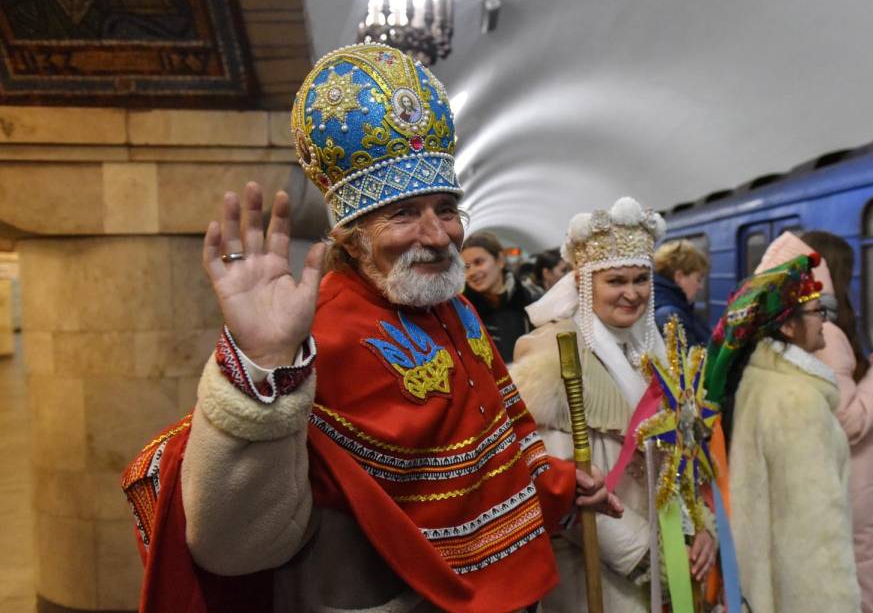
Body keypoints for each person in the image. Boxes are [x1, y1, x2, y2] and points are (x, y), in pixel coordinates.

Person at [121, 43, 620, 613]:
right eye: (404, 213)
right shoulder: (318, 330)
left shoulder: (451, 306)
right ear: (351, 236)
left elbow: (494, 429)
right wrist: (259, 365)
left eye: (446, 208)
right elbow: (230, 547)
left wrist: (552, 483)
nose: (437, 236)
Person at [510, 197, 716, 613]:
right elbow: (559, 481)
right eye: (616, 281)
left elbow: (684, 457)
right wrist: (646, 555)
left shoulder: (658, 352)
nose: (631, 293)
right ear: (587, 284)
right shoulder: (555, 358)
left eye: (641, 280)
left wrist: (701, 530)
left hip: (668, 553)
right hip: (596, 571)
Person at [706, 252, 860, 613]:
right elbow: (814, 538)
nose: (824, 322)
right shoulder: (798, 402)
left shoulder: (757, 382)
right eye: (816, 313)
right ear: (788, 327)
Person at [799, 231, 873, 613]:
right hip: (848, 486)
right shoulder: (827, 334)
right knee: (865, 586)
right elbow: (845, 422)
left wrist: (867, 375)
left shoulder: (804, 325)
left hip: (837, 486)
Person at [462, 231, 543, 361]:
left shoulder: (533, 299)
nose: (472, 272)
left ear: (500, 260)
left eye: (479, 262)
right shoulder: (462, 312)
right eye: (466, 267)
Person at [652, 239, 710, 346]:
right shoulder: (670, 315)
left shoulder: (674, 307)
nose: (700, 286)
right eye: (698, 279)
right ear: (679, 276)